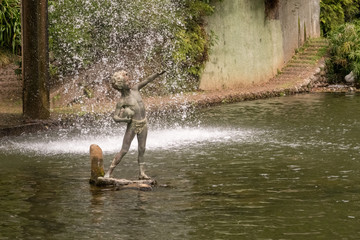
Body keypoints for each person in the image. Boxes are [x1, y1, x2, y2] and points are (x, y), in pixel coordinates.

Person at [104, 70, 166, 179]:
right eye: (127, 82)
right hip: (132, 125)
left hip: (143, 123)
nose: (130, 82)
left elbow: (147, 80)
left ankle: (142, 173)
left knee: (142, 149)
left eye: (129, 80)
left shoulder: (135, 89)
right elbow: (115, 117)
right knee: (124, 150)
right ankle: (109, 172)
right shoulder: (122, 101)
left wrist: (156, 74)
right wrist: (125, 120)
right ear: (121, 86)